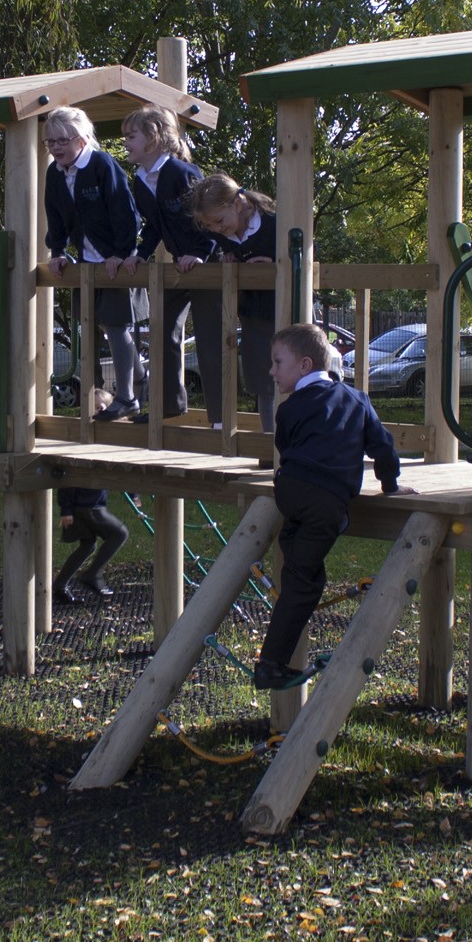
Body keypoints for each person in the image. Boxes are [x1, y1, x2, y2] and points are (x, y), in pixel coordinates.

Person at [254, 323, 404, 691]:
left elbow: (286, 447)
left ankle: (293, 556)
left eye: (277, 362)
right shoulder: (357, 400)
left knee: (298, 547)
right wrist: (390, 484)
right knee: (305, 584)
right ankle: (270, 665)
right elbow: (383, 448)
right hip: (326, 500)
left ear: (305, 366)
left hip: (289, 491)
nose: (271, 371)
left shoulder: (289, 409)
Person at [119, 105, 219, 423]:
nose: (125, 143)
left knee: (210, 338)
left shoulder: (182, 174)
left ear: (153, 137)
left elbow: (212, 217)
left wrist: (202, 253)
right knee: (162, 330)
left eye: (131, 136)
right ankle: (168, 405)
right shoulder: (141, 180)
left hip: (208, 265)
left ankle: (220, 417)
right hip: (180, 266)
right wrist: (139, 253)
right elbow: (154, 225)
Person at [43, 105, 143, 422]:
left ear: (82, 140)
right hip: (87, 263)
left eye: (63, 140)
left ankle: (127, 397)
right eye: (50, 142)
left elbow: (125, 212)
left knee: (116, 326)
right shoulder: (55, 174)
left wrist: (121, 252)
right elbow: (55, 216)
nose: (56, 147)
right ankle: (141, 382)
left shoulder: (101, 165)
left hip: (116, 259)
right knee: (96, 325)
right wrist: (57, 250)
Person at [187, 172, 279, 436]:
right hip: (253, 314)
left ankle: (292, 444)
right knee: (265, 380)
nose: (216, 229)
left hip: (285, 310)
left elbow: (305, 254)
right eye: (210, 226)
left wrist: (274, 266)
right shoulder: (222, 237)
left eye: (219, 221)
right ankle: (268, 444)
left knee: (292, 378)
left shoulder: (274, 223)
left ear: (238, 203)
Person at [56, 484, 128, 602]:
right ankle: (93, 575)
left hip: (86, 504)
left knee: (88, 545)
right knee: (120, 533)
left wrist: (133, 495)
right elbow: (68, 479)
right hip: (88, 506)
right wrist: (66, 510)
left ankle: (60, 586)